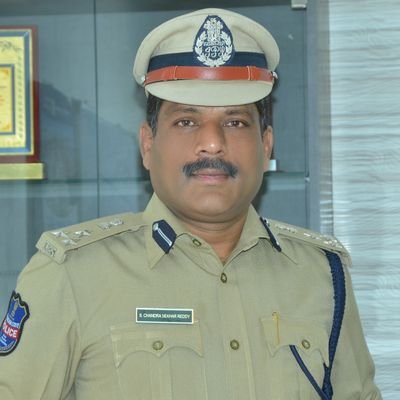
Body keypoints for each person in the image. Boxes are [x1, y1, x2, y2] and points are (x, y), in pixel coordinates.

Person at [0, 8, 381, 400]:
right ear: (148, 145)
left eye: (235, 122)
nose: (212, 143)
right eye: (186, 121)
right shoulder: (73, 276)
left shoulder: (322, 276)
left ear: (266, 145)